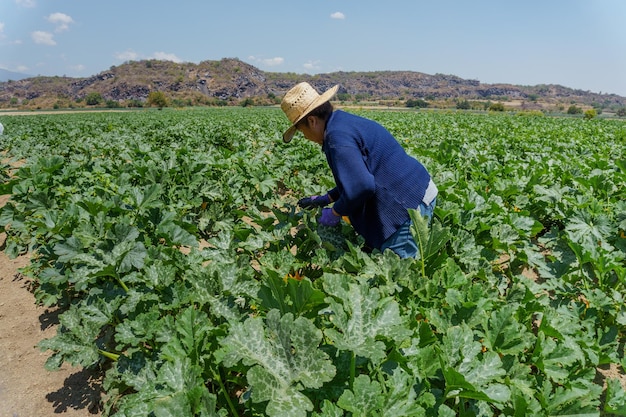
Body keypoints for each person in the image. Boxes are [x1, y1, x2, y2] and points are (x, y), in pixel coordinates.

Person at [280, 82, 437, 259]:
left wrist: (335, 212)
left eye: (302, 132)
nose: (306, 138)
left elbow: (362, 185)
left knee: (403, 277)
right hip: (419, 191)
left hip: (404, 209)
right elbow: (362, 173)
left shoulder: (336, 138)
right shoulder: (343, 122)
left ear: (312, 121)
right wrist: (329, 197)